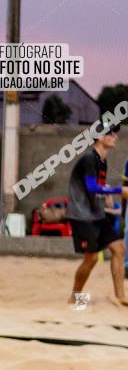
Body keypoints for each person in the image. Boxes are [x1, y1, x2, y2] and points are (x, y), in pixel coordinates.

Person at [66, 123, 128, 308]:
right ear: (100, 137)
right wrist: (120, 190)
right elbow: (92, 187)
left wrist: (108, 197)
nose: (115, 137)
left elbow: (99, 188)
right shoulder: (89, 159)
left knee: (118, 248)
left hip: (97, 215)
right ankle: (75, 297)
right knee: (91, 258)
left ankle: (121, 296)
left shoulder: (102, 161)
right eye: (111, 134)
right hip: (81, 216)